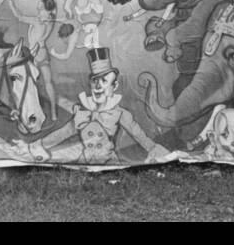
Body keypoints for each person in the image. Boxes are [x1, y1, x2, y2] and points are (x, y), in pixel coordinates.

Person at [28, 49, 172, 165]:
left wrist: (155, 150)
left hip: (110, 161)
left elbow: (139, 135)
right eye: (94, 81)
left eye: (104, 81)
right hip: (85, 161)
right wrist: (39, 145)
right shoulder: (83, 112)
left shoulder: (120, 113)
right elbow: (64, 133)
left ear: (114, 86)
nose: (98, 86)